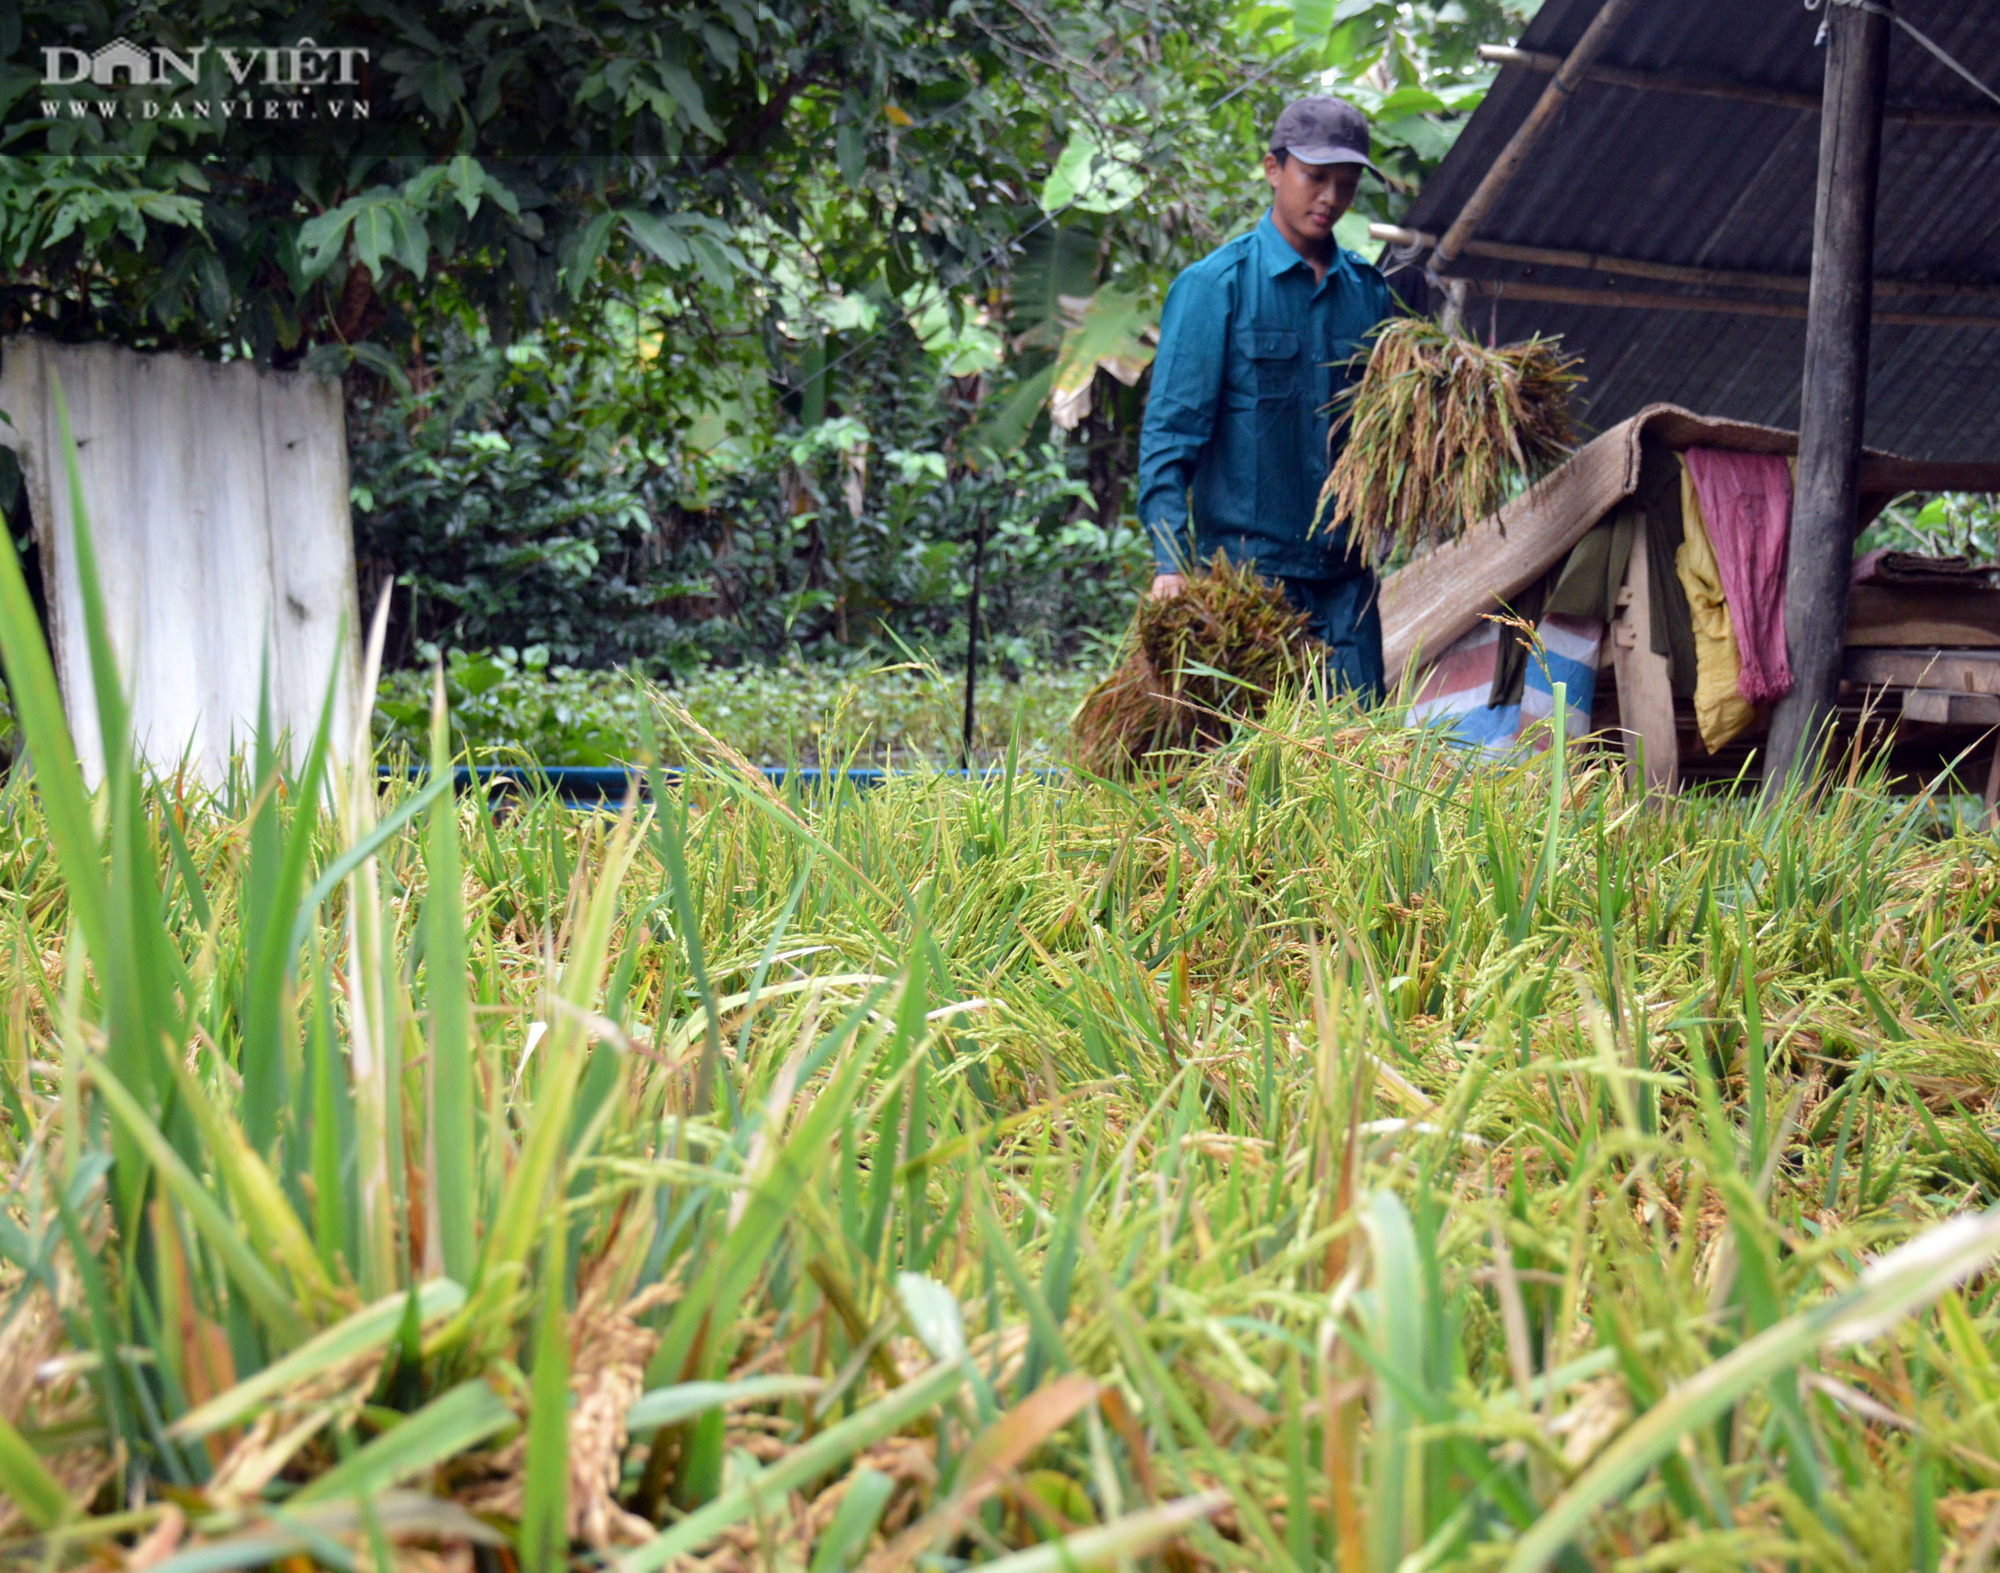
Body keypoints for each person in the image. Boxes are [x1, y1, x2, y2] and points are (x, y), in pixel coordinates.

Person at [1136, 94, 1398, 701]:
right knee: (1251, 778)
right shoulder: (1212, 289)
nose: (1330, 197)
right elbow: (1170, 440)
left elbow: (1384, 436)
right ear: (1273, 169)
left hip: (1346, 585)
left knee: (1362, 766)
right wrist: (1171, 564)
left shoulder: (1369, 294)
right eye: (1315, 177)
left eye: (1346, 183)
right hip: (1249, 587)